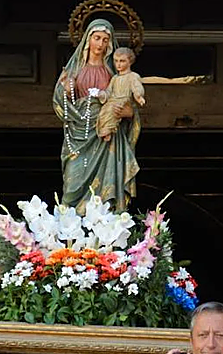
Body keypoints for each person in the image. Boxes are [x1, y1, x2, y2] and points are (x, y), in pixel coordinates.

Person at [54, 18, 139, 211]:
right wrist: (67, 92)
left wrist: (129, 112)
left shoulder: (115, 72)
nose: (100, 44)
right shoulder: (74, 69)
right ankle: (70, 229)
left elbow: (129, 102)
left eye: (105, 39)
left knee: (106, 192)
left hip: (107, 137)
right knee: (72, 186)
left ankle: (106, 228)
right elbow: (59, 102)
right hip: (79, 135)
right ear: (87, 39)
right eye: (97, 38)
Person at [95, 47, 145, 141]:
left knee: (113, 110)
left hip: (124, 100)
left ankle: (109, 129)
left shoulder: (132, 76)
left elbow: (136, 87)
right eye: (116, 61)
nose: (118, 64)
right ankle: (105, 129)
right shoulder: (115, 78)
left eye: (122, 61)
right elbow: (109, 91)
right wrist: (102, 94)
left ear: (130, 62)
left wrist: (139, 96)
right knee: (104, 111)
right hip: (113, 100)